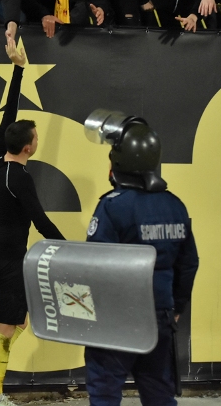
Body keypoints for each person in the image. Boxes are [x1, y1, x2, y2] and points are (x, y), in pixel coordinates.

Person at [0, 40, 66, 406]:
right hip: (8, 264)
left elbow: (8, 114)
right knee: (5, 329)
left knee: (20, 322)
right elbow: (41, 221)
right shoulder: (20, 179)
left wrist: (19, 69)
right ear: (28, 147)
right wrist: (69, 249)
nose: (37, 140)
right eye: (36, 138)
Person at [84, 116, 198, 406]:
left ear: (118, 162)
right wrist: (176, 307)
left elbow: (96, 265)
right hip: (160, 316)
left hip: (117, 318)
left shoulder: (113, 206)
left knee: (104, 391)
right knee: (158, 391)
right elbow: (188, 263)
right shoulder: (175, 205)